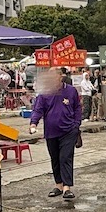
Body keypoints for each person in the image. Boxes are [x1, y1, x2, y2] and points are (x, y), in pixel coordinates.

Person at [29, 69, 82, 201]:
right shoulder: (44, 93)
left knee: (65, 157)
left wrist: (76, 124)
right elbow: (38, 109)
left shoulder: (71, 91)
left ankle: (67, 187)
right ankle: (58, 185)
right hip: (51, 131)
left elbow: (77, 108)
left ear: (60, 76)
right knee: (55, 158)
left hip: (69, 130)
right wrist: (33, 123)